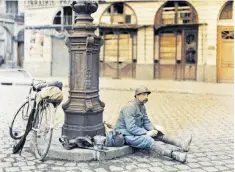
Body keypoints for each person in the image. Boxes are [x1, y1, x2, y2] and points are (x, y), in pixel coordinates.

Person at [113, 85, 192, 163]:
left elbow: (146, 121)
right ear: (137, 96)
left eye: (147, 95)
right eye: (144, 95)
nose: (146, 97)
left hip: (135, 131)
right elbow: (131, 128)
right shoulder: (129, 107)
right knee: (148, 140)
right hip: (125, 134)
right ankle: (176, 155)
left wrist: (153, 130)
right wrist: (146, 133)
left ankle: (182, 144)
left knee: (158, 134)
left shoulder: (142, 106)